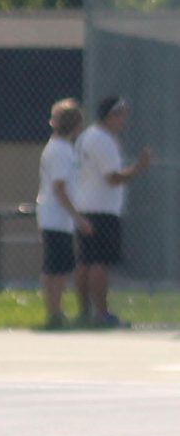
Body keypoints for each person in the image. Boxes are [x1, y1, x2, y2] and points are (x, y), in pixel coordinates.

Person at [73, 95, 151, 328]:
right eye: (121, 115)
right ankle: (102, 314)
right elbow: (113, 178)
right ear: (111, 115)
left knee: (86, 262)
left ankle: (85, 314)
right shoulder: (103, 140)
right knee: (99, 263)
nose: (123, 120)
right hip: (102, 210)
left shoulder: (87, 136)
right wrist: (138, 168)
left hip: (86, 207)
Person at [35, 98, 91, 329]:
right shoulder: (59, 151)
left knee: (59, 266)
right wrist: (78, 218)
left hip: (60, 218)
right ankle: (55, 313)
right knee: (56, 268)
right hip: (56, 217)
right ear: (76, 127)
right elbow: (59, 189)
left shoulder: (64, 149)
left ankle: (56, 312)